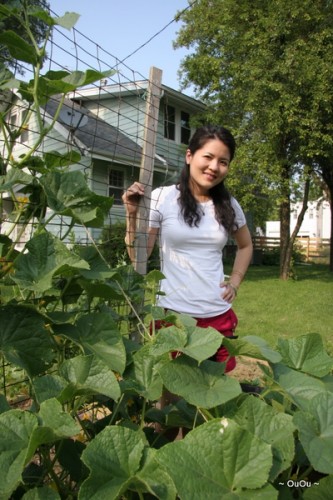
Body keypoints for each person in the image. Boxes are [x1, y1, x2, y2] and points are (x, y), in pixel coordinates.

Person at [122, 124, 253, 372]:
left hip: (217, 312)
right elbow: (138, 256)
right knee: (170, 389)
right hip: (174, 314)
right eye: (208, 157)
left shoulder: (229, 205)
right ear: (189, 156)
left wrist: (235, 281)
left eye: (223, 161)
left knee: (212, 387)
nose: (214, 167)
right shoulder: (163, 197)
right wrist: (132, 215)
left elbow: (245, 246)